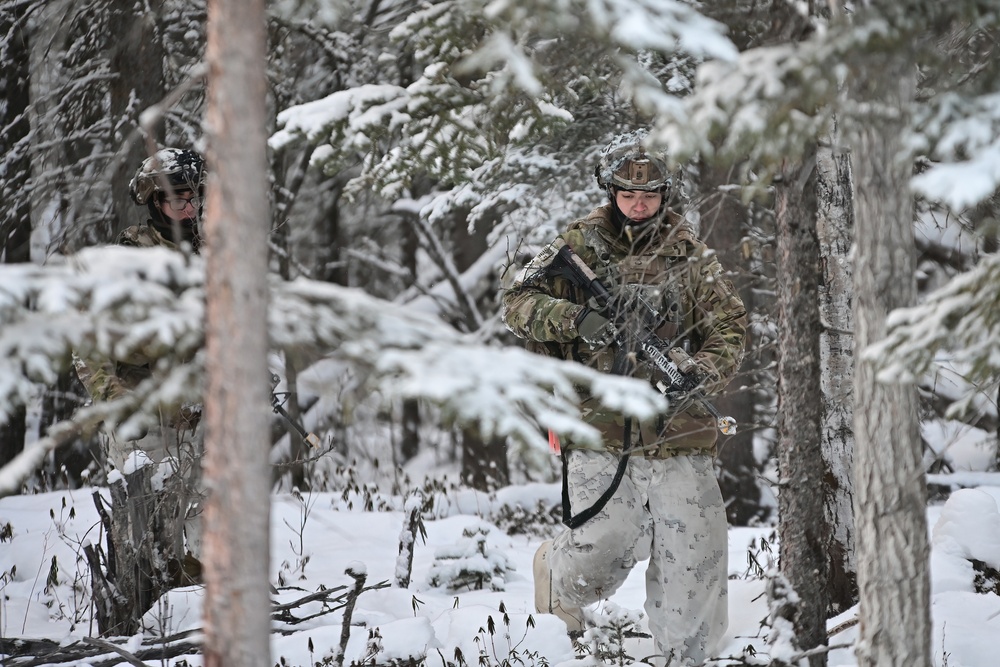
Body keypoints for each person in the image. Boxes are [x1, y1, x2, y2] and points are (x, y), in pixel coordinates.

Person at [501, 130, 747, 666]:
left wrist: (695, 374)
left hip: (678, 431)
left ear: (666, 194)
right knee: (604, 550)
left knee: (696, 563)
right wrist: (576, 319)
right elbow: (515, 299)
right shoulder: (577, 247)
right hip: (598, 428)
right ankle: (557, 580)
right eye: (628, 194)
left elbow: (730, 327)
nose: (639, 204)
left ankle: (684, 659)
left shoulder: (691, 257)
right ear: (610, 192)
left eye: (651, 194)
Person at [73, 147, 208, 577]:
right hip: (143, 430)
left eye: (194, 198)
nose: (188, 209)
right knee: (148, 554)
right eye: (176, 200)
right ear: (154, 203)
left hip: (198, 420)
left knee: (211, 536)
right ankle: (151, 637)